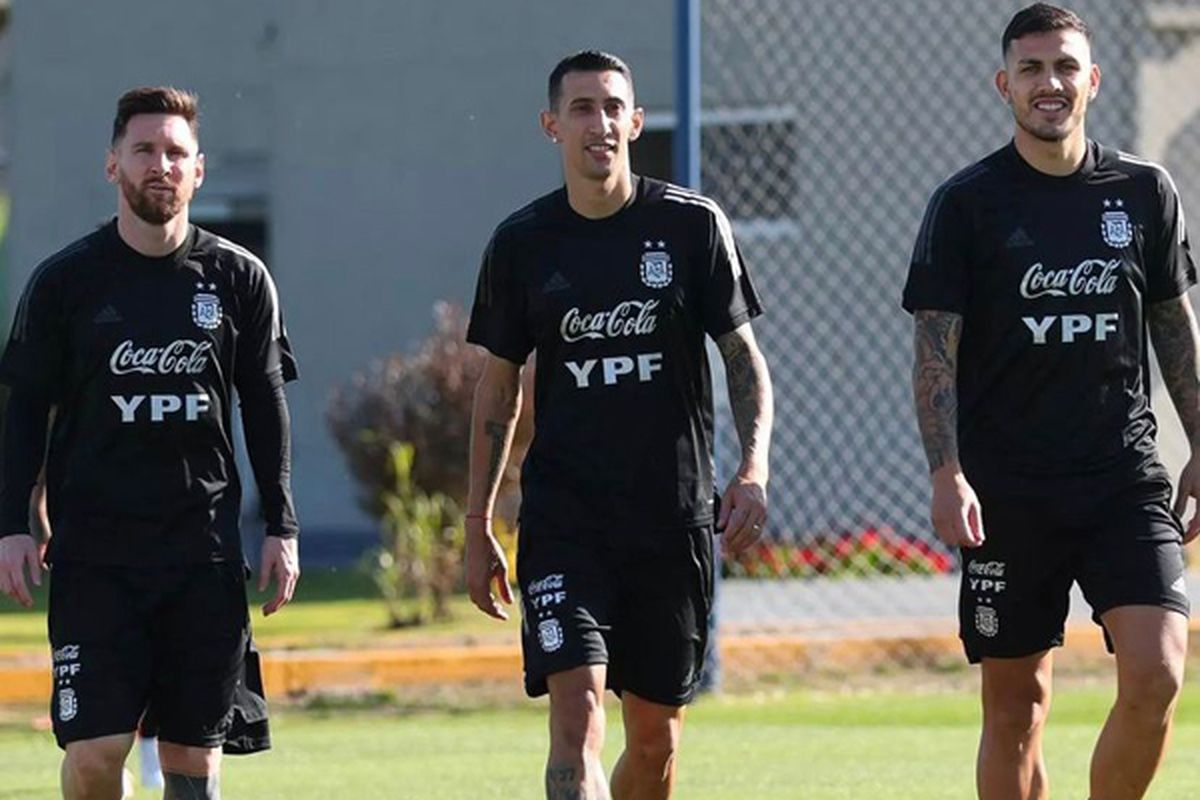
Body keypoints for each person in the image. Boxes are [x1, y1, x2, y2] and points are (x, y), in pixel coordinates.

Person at [904, 5, 1195, 799]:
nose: (1050, 84)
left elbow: (1175, 327)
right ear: (1004, 86)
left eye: (1066, 66)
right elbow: (933, 352)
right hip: (1008, 490)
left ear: (1092, 80)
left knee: (1159, 673)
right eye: (1031, 69)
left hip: (1122, 479)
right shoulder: (967, 204)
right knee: (1017, 710)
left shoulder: (1143, 191)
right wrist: (946, 472)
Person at [464, 50, 773, 800]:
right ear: (551, 125)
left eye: (612, 108)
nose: (598, 124)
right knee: (576, 718)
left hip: (670, 521)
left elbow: (743, 358)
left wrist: (752, 468)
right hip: (565, 522)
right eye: (581, 109)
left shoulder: (692, 226)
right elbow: (499, 389)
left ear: (635, 122)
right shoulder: (522, 243)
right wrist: (477, 522)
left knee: (656, 742)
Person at [0, 86, 300, 800]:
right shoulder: (66, 282)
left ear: (199, 169)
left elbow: (265, 406)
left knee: (194, 768)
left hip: (203, 555)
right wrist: (11, 524)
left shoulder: (238, 279)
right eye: (143, 150)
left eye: (174, 153)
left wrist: (281, 526)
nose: (159, 165)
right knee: (95, 753)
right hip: (94, 557)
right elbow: (24, 412)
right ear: (113, 165)